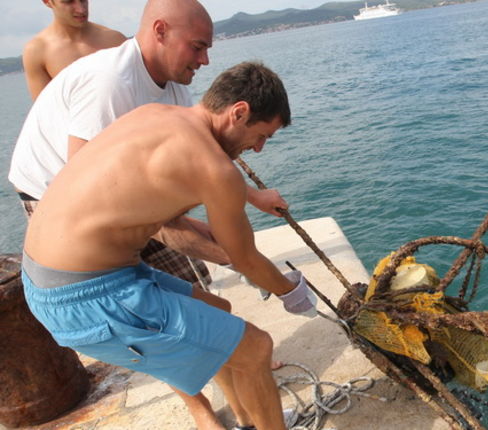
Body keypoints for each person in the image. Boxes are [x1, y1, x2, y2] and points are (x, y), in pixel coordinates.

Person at [9, 0, 285, 426]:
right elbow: (244, 257)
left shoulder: (161, 110)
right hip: (81, 294)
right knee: (256, 347)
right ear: (239, 112)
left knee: (220, 314)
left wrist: (243, 203)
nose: (259, 149)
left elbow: (134, 196)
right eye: (261, 136)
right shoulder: (111, 86)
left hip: (74, 269)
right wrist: (290, 290)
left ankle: (250, 418)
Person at [22, 0, 127, 100]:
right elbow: (44, 112)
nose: (81, 10)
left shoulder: (115, 40)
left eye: (83, 0)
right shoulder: (37, 51)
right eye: (68, 1)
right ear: (47, 1)